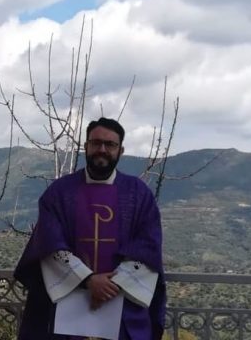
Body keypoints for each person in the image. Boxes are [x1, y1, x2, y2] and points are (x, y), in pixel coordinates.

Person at [14, 118, 165, 339]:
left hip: (122, 302)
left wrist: (110, 285)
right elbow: (49, 243)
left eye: (110, 145)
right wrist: (88, 280)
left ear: (120, 150)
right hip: (66, 307)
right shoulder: (59, 193)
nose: (101, 150)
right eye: (95, 143)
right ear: (85, 147)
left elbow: (148, 245)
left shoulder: (138, 194)